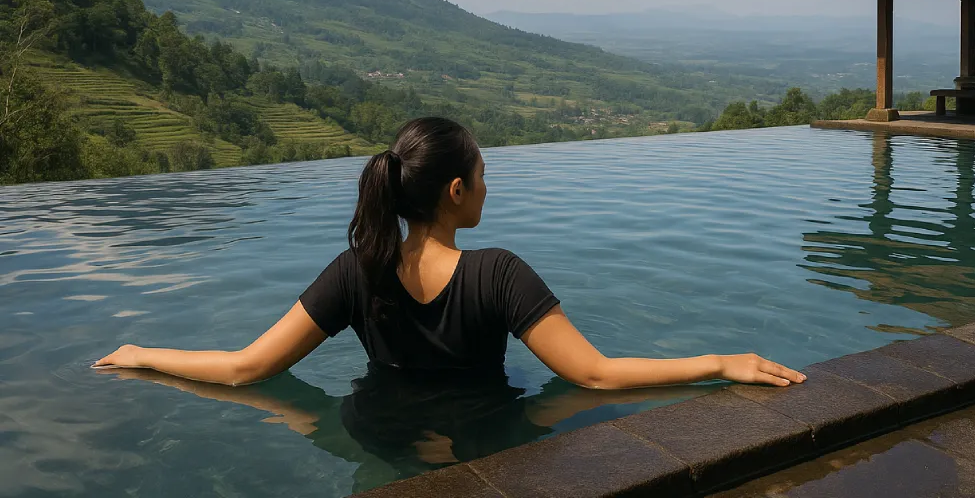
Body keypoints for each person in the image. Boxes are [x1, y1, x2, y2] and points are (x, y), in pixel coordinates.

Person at [95, 117, 806, 391]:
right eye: (484, 178)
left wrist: (141, 352)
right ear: (457, 191)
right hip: (487, 445)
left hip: (383, 447)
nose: (489, 191)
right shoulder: (497, 273)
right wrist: (720, 362)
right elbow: (595, 375)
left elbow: (245, 369)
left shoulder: (356, 271)